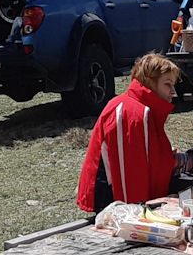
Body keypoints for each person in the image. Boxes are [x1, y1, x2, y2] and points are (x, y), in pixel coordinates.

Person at [76, 52, 186, 212]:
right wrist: (138, 218)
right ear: (149, 83)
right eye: (167, 84)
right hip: (112, 202)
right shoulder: (129, 113)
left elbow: (155, 158)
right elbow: (128, 177)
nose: (173, 91)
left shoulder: (146, 110)